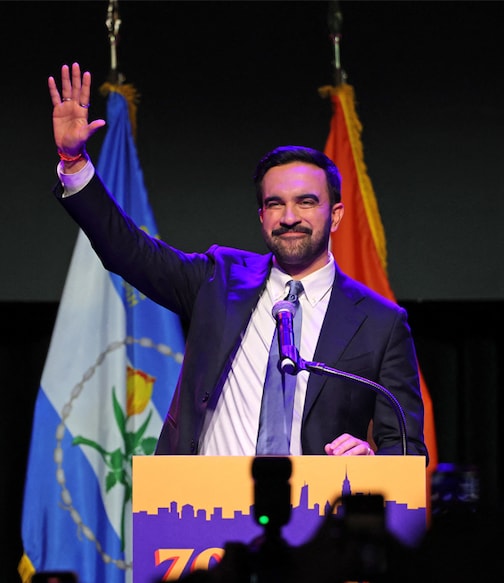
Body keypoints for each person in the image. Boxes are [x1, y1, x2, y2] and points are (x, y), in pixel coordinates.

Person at [48, 63, 427, 458]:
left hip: (317, 514)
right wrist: (75, 165)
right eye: (275, 204)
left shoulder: (381, 324)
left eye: (306, 202)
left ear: (335, 215)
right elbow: (128, 251)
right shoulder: (219, 279)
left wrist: (372, 464)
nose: (290, 217)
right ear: (262, 217)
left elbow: (406, 449)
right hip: (200, 507)